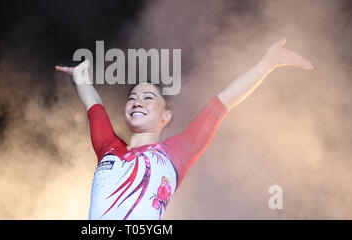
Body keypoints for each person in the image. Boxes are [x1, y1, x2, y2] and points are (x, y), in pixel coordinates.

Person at [55, 37, 313, 220]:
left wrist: (267, 64)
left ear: (166, 115)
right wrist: (81, 77)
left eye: (148, 97)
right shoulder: (108, 148)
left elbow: (222, 102)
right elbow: (95, 107)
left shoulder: (175, 153)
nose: (137, 101)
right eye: (132, 97)